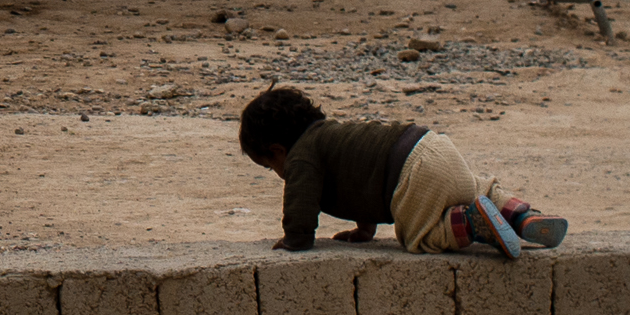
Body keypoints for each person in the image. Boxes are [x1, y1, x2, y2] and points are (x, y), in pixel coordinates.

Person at [235, 83, 566, 255]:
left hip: (409, 174)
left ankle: (472, 224)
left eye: (269, 166)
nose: (280, 172)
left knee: (419, 237)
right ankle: (523, 217)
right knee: (478, 187)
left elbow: (301, 200)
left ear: (277, 151)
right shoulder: (333, 137)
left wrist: (296, 238)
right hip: (433, 146)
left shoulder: (301, 157)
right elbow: (360, 176)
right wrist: (365, 231)